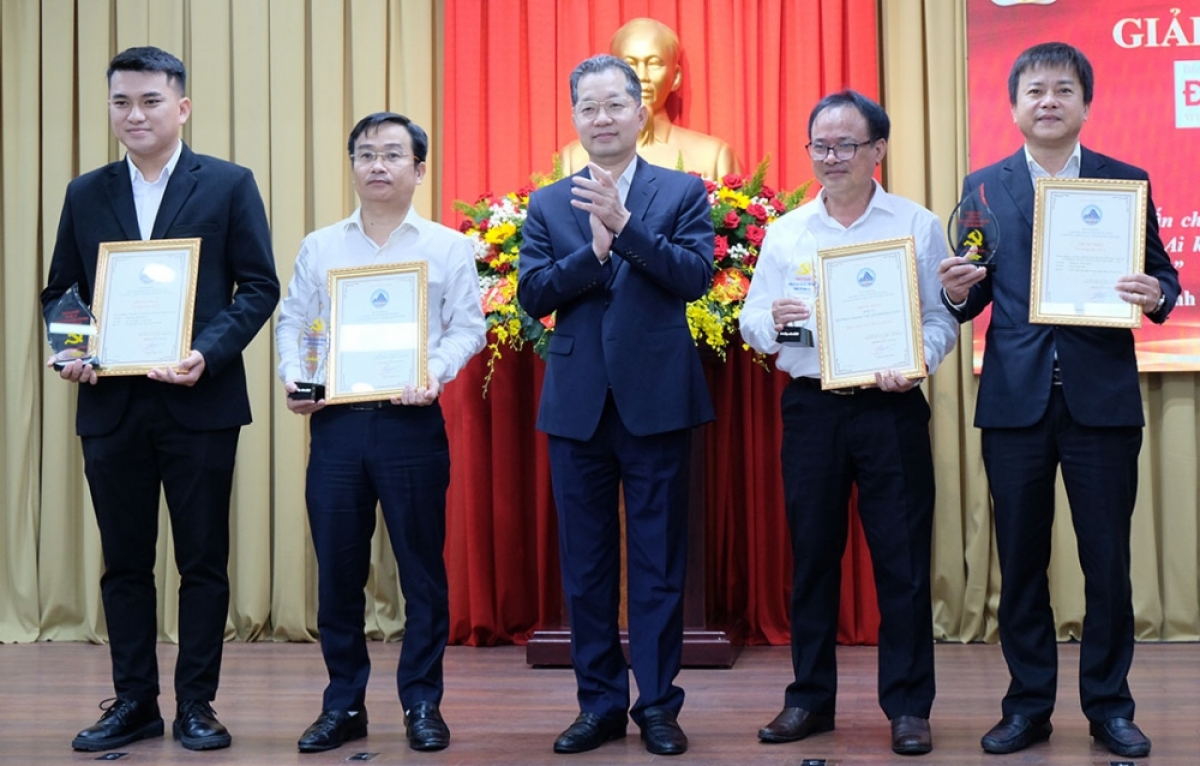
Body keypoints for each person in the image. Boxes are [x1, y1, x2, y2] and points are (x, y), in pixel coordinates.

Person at [937, 42, 1178, 759]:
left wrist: (1155, 291)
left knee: (1107, 563)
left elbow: (1162, 280)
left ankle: (1109, 707)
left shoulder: (1123, 182)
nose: (1048, 101)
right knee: (1020, 561)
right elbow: (969, 289)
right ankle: (1027, 706)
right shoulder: (983, 187)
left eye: (1063, 90)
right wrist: (955, 292)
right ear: (1013, 106)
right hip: (1014, 402)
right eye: (1035, 90)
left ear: (1084, 103)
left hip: (1101, 400)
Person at [42, 46, 279, 752]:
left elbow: (258, 286)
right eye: (121, 102)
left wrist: (206, 351)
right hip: (111, 408)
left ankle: (197, 704)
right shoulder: (86, 192)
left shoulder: (229, 185)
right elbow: (61, 290)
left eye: (149, 101)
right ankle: (134, 701)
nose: (134, 114)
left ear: (182, 106)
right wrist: (75, 347)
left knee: (203, 560)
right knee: (124, 561)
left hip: (198, 399)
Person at [740, 90, 958, 756]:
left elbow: (939, 319)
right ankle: (809, 699)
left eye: (844, 146)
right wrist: (768, 326)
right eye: (820, 146)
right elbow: (750, 322)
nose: (830, 158)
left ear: (878, 150)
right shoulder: (787, 232)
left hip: (889, 407)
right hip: (812, 409)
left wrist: (918, 360)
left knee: (903, 564)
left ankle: (909, 707)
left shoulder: (915, 225)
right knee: (812, 562)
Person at [518, 55, 715, 757]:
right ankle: (599, 703)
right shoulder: (547, 203)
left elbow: (695, 277)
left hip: (658, 399)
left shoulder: (682, 190)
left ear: (639, 113)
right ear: (575, 119)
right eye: (587, 108)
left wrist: (627, 230)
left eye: (613, 106)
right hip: (576, 405)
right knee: (588, 564)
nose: (601, 119)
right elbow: (533, 295)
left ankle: (658, 705)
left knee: (659, 561)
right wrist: (594, 254)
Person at [276, 112, 485, 754]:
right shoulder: (321, 246)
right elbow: (294, 322)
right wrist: (296, 376)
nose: (377, 165)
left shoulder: (447, 246)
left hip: (410, 422)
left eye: (392, 154)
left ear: (419, 169)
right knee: (339, 570)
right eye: (365, 154)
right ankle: (343, 705)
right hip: (336, 426)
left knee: (421, 570)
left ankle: (422, 702)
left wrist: (435, 370)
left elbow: (468, 329)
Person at [560, 17, 739, 179]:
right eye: (629, 64)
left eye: (654, 64)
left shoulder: (712, 157)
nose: (641, 76)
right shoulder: (574, 158)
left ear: (676, 77)